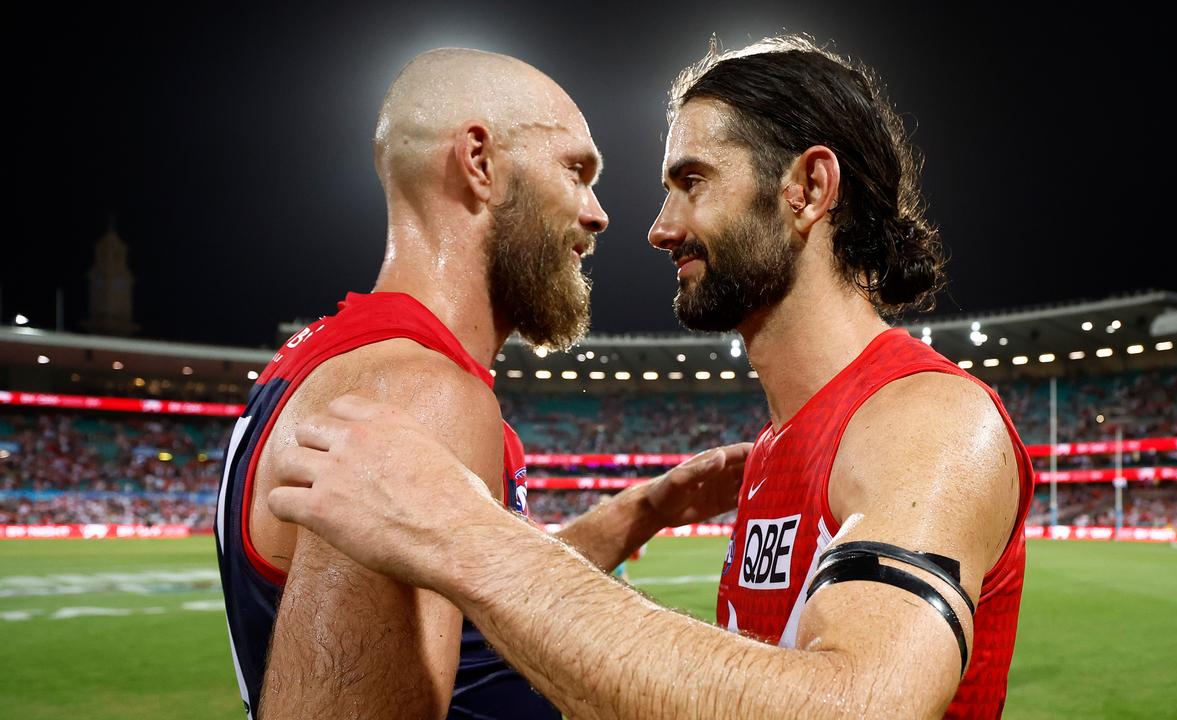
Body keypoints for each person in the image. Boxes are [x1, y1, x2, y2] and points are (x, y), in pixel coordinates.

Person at [268, 36, 1034, 719]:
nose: (658, 227)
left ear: (807, 187)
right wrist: (641, 511)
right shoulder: (774, 449)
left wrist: (462, 532)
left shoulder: (931, 418)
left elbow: (861, 706)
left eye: (692, 181)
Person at [214, 47, 749, 719]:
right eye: (576, 171)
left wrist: (643, 510)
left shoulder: (337, 359)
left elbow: (465, 609)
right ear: (480, 163)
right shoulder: (421, 393)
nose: (599, 213)